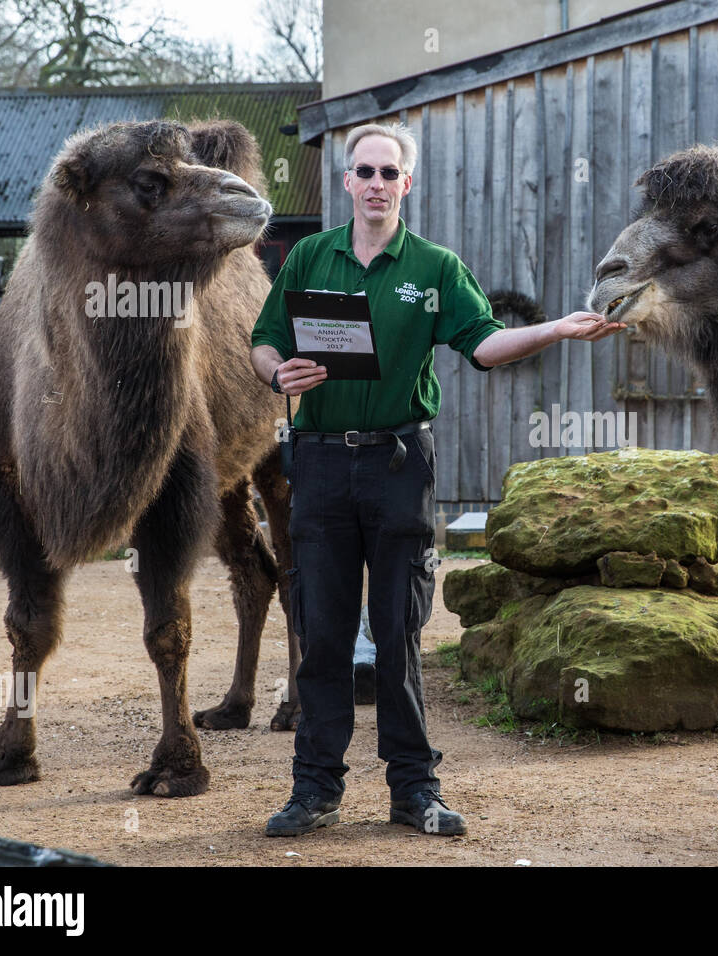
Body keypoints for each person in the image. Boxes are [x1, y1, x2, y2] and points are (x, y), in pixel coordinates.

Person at [250, 122, 625, 838]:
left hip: (398, 465)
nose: (376, 184)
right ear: (348, 182)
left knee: (398, 636)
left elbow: (482, 343)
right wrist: (276, 371)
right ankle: (315, 791)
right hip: (322, 464)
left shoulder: (435, 267)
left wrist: (553, 330)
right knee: (324, 635)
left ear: (407, 184)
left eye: (390, 173)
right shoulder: (307, 259)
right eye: (365, 171)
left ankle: (413, 792)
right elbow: (264, 339)